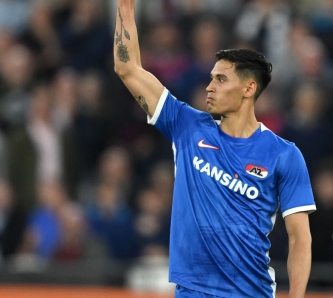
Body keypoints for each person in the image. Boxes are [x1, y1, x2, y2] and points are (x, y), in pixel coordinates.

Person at [113, 1, 316, 297]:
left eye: (220, 80)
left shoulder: (284, 155)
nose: (209, 86)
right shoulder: (186, 126)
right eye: (210, 78)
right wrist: (125, 7)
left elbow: (300, 240)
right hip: (192, 291)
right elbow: (127, 68)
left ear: (248, 89)